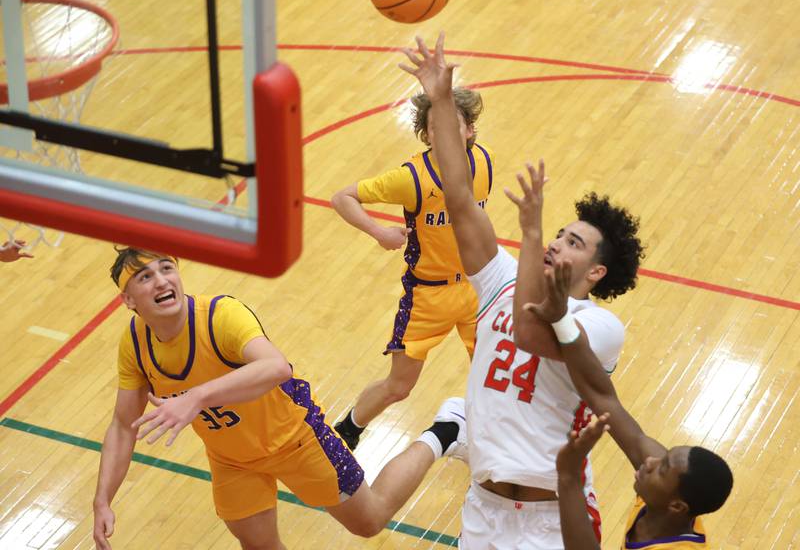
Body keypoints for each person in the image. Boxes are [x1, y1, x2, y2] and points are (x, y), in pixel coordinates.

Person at [398, 32, 645, 549]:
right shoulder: (500, 279)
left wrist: (531, 234)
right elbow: (459, 195)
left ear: (596, 272)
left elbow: (533, 333)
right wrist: (442, 102)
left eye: (573, 242)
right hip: (484, 509)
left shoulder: (601, 329)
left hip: (552, 521)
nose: (557, 241)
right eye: (558, 232)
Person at [92, 248, 468, 550]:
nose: (162, 280)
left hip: (295, 439)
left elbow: (276, 367)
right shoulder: (136, 343)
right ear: (128, 300)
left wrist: (197, 397)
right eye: (146, 277)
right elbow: (124, 425)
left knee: (369, 522)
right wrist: (103, 500)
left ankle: (444, 433)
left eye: (166, 268)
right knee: (257, 544)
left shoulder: (219, 316)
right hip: (232, 458)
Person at [331, 87, 494, 450]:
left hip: (476, 288)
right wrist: (378, 231)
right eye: (437, 127)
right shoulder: (412, 179)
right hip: (427, 295)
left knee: (493, 376)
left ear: (470, 130)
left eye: (455, 124)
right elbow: (341, 197)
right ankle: (348, 429)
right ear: (426, 135)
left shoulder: (484, 162)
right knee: (400, 387)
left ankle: (493, 439)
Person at [531, 262, 733, 549]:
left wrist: (569, 477)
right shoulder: (663, 500)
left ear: (677, 507)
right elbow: (604, 399)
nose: (649, 461)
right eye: (663, 457)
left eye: (662, 468)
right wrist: (562, 322)